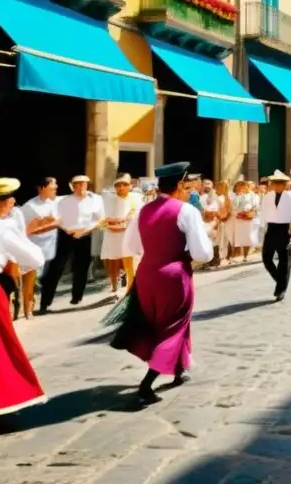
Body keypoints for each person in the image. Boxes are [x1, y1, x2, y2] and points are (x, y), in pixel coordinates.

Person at [111, 162, 215, 405]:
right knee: (174, 325)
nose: (188, 190)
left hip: (146, 274)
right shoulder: (186, 211)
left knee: (163, 322)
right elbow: (202, 254)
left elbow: (131, 247)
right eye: (186, 185)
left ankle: (180, 369)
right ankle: (147, 383)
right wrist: (206, 234)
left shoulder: (143, 211)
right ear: (179, 185)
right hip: (174, 275)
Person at [0, 178, 47, 416]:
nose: (14, 202)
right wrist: (23, 236)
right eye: (11, 198)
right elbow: (35, 260)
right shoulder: (3, 229)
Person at [42, 175, 106, 311]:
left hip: (84, 235)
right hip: (66, 234)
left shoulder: (96, 200)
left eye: (84, 184)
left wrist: (85, 231)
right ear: (73, 186)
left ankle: (77, 296)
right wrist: (66, 229)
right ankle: (45, 301)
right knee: (56, 267)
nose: (81, 186)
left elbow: (101, 219)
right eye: (78, 184)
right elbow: (55, 218)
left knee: (81, 267)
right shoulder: (63, 200)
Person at [259, 171, 291, 301]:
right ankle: (280, 279)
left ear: (285, 185)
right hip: (271, 229)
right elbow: (263, 212)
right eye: (275, 183)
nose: (277, 186)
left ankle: (281, 289)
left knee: (284, 261)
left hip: (285, 230)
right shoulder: (268, 196)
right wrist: (261, 230)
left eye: (280, 183)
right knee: (266, 258)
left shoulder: (290, 196)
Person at [20, 178, 60, 319]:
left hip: (50, 248)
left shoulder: (55, 203)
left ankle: (40, 305)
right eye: (52, 187)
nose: (55, 188)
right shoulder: (29, 207)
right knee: (31, 280)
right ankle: (27, 309)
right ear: (41, 188)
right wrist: (44, 224)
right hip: (34, 247)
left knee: (44, 280)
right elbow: (24, 230)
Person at [102, 174, 141, 299]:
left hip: (129, 233)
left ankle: (131, 286)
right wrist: (112, 223)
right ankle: (114, 285)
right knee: (113, 261)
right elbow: (102, 218)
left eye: (125, 184)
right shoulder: (108, 199)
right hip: (112, 234)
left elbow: (139, 214)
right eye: (118, 185)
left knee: (130, 261)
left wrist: (125, 223)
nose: (122, 187)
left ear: (130, 186)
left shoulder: (136, 198)